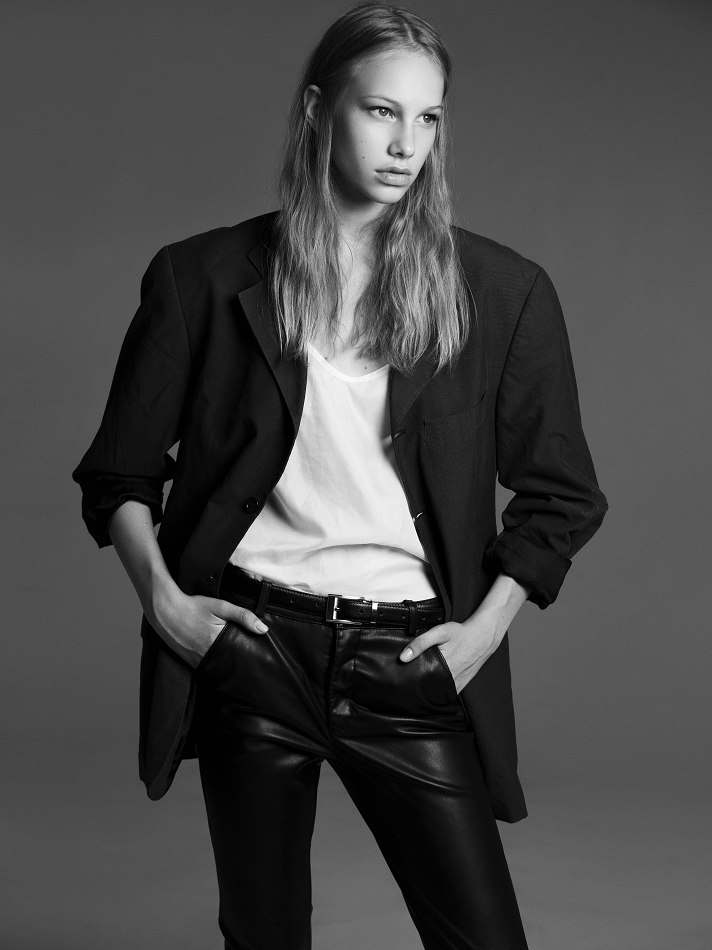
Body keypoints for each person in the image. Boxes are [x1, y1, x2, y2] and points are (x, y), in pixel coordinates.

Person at [72, 4, 607, 948]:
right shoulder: (201, 278)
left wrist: (484, 632)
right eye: (381, 111)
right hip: (251, 652)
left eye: (428, 118)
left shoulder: (501, 292)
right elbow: (119, 472)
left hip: (408, 662)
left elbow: (561, 494)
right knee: (264, 934)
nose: (407, 145)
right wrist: (165, 603)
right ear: (320, 110)